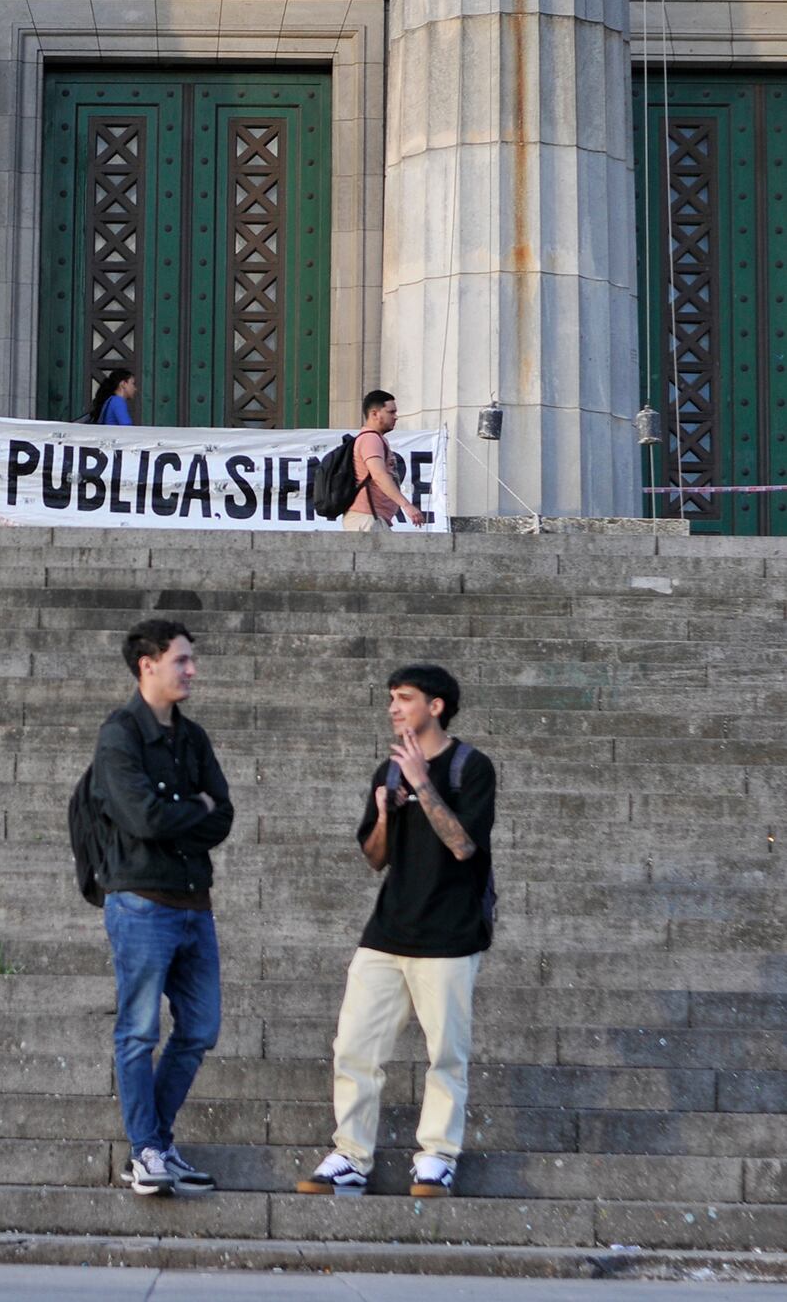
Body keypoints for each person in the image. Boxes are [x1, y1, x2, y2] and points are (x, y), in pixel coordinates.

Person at [297, 664, 497, 1200]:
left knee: (446, 1054)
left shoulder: (470, 767)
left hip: (450, 934)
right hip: (387, 931)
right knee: (354, 1047)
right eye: (391, 697)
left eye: (404, 698)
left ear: (435, 706)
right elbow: (374, 858)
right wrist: (386, 813)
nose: (393, 707)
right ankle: (351, 1156)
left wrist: (422, 784)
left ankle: (437, 1157)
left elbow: (463, 846)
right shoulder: (386, 772)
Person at [89, 619, 235, 1197]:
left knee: (200, 1028)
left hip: (194, 904)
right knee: (138, 1032)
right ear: (147, 664)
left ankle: (156, 1143)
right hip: (141, 904)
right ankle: (147, 1150)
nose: (191, 669)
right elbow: (142, 818)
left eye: (190, 660)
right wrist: (189, 809)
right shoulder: (120, 736)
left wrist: (184, 812)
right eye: (181, 660)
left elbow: (223, 813)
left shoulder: (193, 738)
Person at [343, 389, 425, 531]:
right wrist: (407, 506)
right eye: (391, 412)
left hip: (371, 518)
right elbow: (379, 475)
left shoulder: (375, 439)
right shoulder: (370, 439)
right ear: (375, 414)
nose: (396, 417)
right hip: (366, 518)